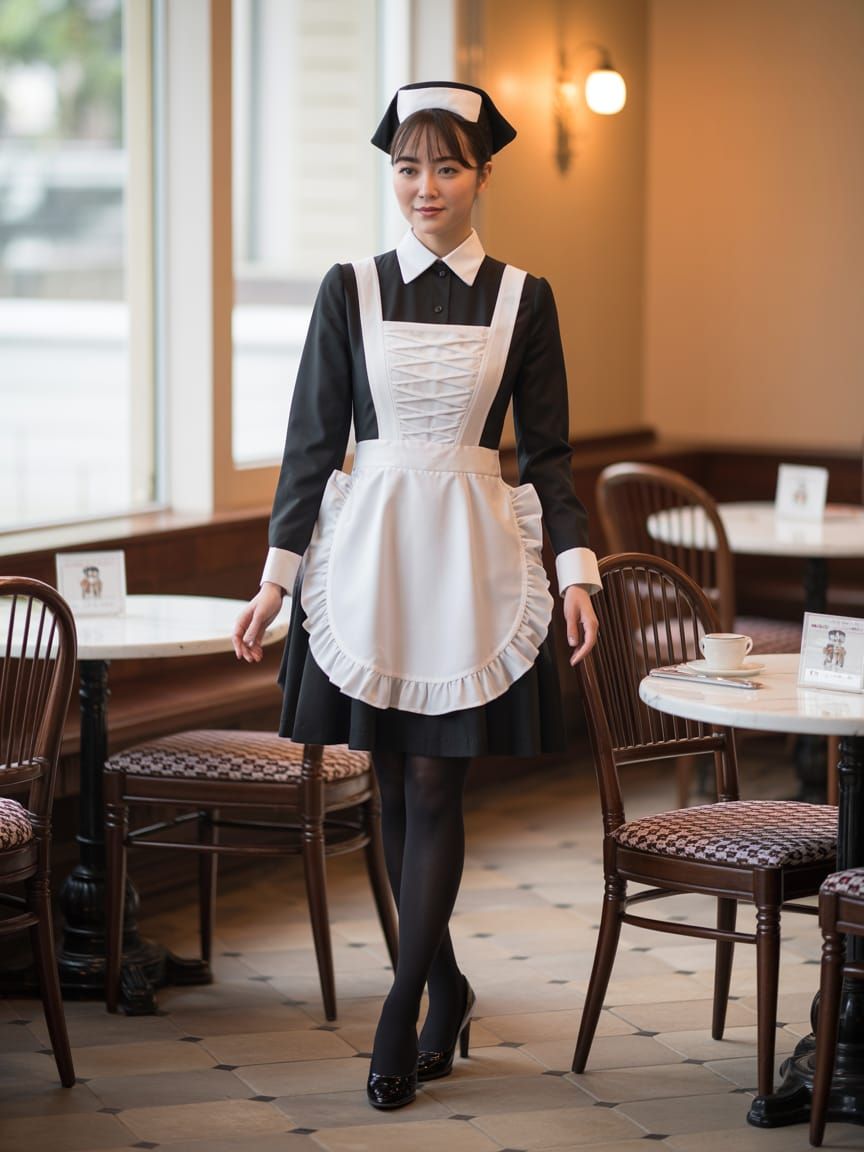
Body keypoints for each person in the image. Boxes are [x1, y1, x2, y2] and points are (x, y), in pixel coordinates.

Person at [232, 80, 601, 1111]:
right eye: (406, 167)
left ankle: (399, 1010)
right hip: (373, 558)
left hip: (474, 560)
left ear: (485, 174)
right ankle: (444, 986)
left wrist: (575, 574)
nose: (424, 188)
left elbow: (552, 455)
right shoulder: (347, 285)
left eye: (446, 167)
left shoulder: (527, 295)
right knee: (393, 788)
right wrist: (274, 580)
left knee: (437, 787)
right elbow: (312, 444)